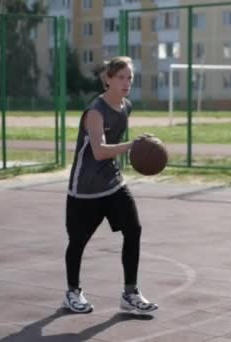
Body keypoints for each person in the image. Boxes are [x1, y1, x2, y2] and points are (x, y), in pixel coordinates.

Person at [63, 56, 158, 314]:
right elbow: (99, 151)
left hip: (112, 182)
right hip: (84, 187)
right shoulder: (95, 111)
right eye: (121, 77)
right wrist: (133, 146)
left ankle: (130, 293)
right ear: (107, 79)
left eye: (130, 78)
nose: (126, 82)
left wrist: (141, 147)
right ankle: (72, 292)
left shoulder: (126, 106)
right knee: (78, 241)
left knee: (134, 229)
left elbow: (112, 153)